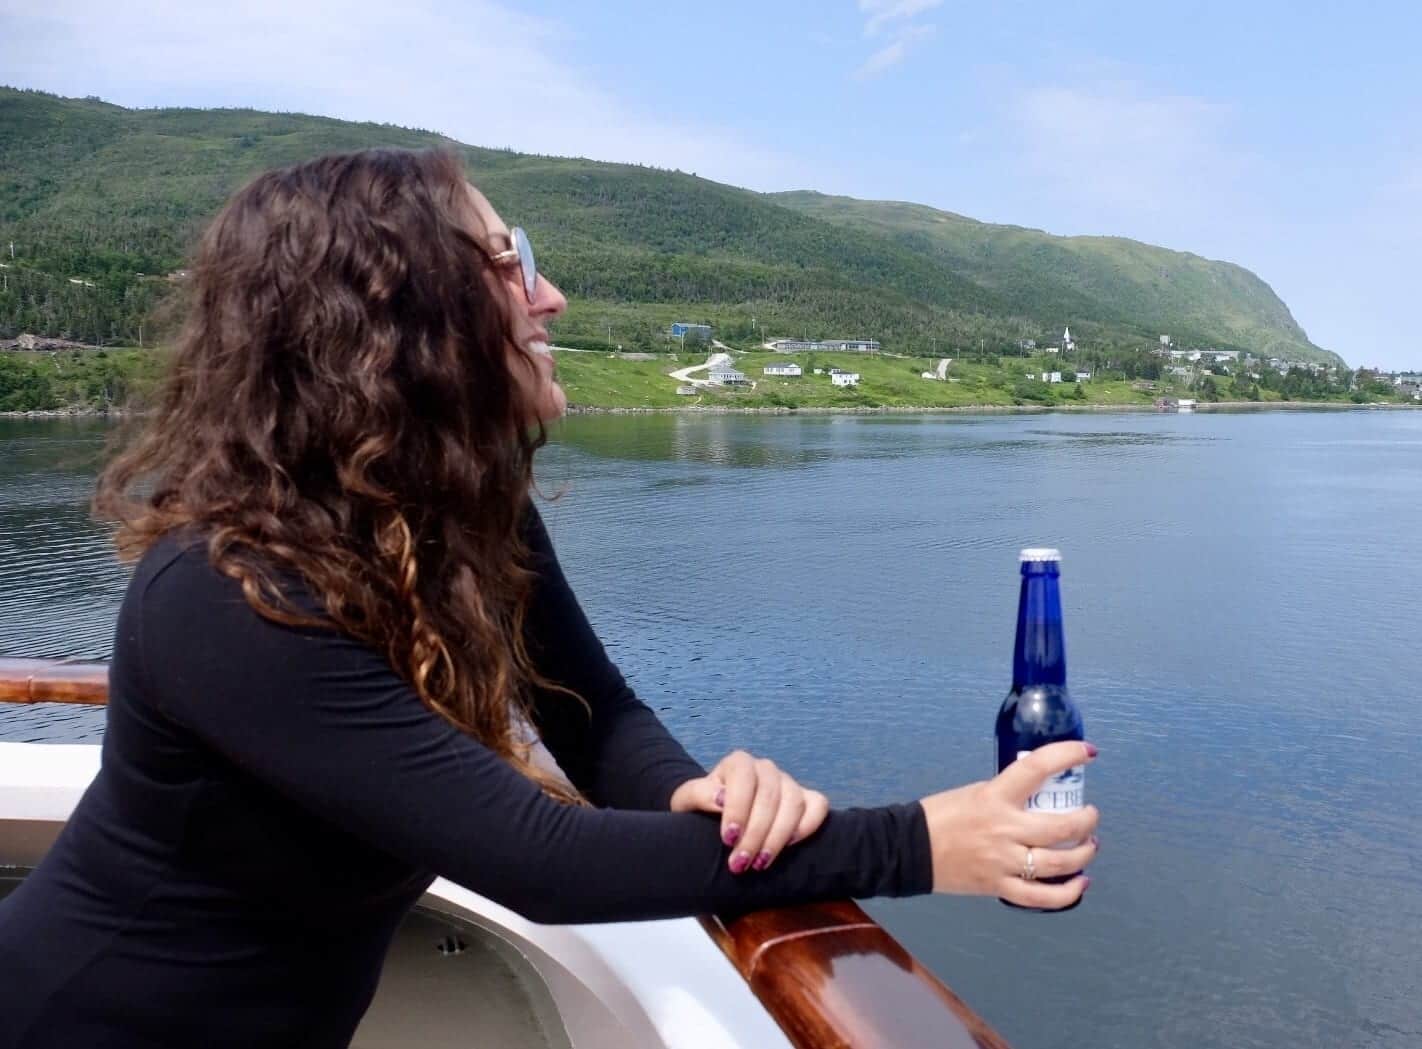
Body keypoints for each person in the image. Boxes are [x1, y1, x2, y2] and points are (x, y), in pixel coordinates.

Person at [0, 149, 1098, 1049]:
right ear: (397, 314)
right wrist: (919, 841)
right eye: (510, 261)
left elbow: (589, 706)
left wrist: (700, 793)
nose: (550, 293)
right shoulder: (227, 592)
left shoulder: (458, 514)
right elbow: (542, 858)